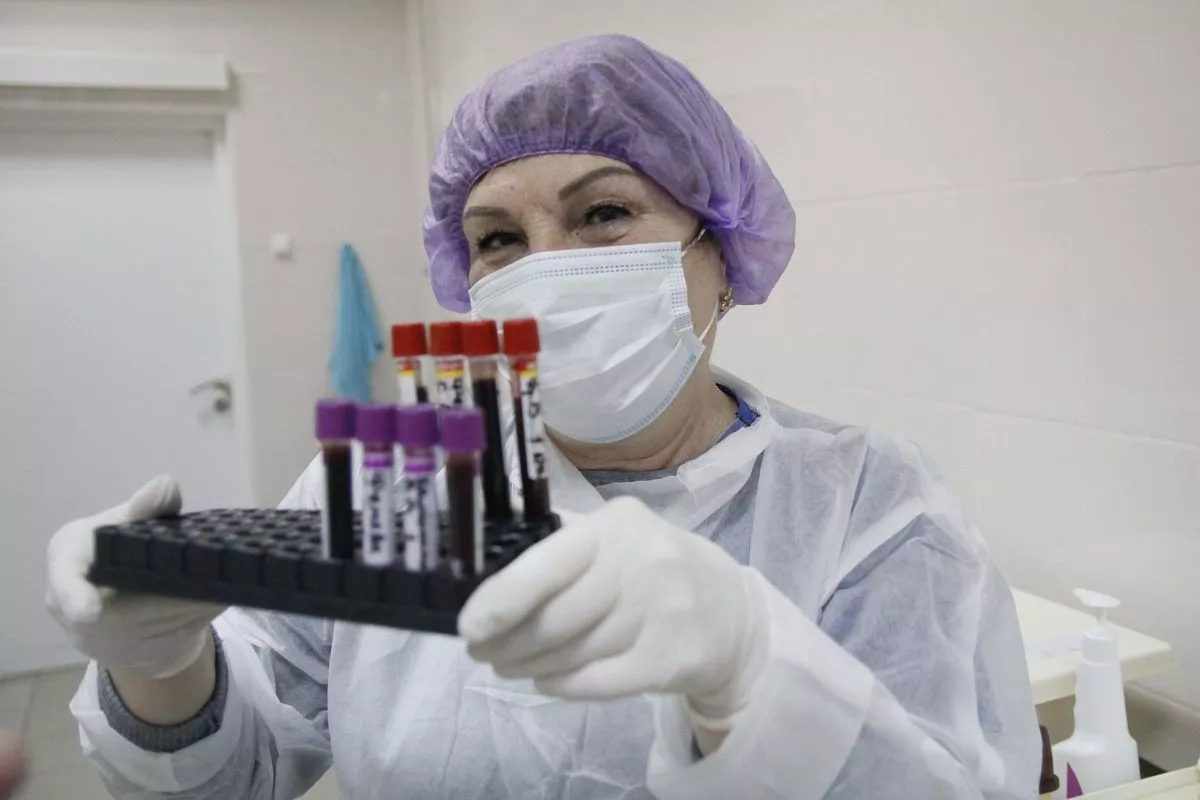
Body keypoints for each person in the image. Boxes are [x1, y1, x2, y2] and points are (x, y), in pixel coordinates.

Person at [46, 34, 1040, 799]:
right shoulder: (402, 485)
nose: (546, 269)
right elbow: (230, 778)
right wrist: (162, 668)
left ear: (722, 254)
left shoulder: (867, 508)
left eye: (604, 213)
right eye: (497, 239)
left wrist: (751, 669)